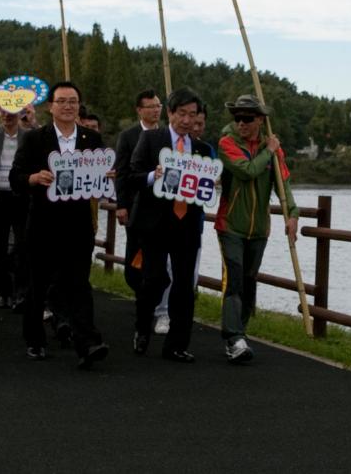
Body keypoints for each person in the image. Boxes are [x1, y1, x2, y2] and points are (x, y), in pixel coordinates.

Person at [10, 81, 109, 369]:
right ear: (50, 106)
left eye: (73, 101)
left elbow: (101, 177)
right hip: (43, 222)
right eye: (62, 101)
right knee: (38, 285)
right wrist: (33, 178)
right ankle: (35, 339)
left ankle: (88, 342)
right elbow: (16, 176)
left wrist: (106, 179)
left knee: (79, 284)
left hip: (78, 224)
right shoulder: (34, 139)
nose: (68, 106)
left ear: (79, 106)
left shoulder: (92, 139)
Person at [121, 87, 213, 363]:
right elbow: (131, 176)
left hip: (187, 226)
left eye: (193, 115)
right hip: (154, 224)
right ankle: (142, 326)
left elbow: (206, 187)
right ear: (170, 113)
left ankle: (177, 344)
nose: (187, 120)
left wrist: (210, 184)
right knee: (154, 280)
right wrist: (153, 175)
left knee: (185, 286)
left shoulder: (202, 149)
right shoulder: (151, 140)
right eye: (182, 113)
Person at [216, 94, 299, 363]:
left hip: (259, 229)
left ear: (260, 120)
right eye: (237, 118)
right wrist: (269, 151)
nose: (241, 123)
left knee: (249, 282)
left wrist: (293, 213)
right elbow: (249, 170)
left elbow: (282, 182)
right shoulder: (226, 143)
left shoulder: (271, 147)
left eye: (247, 119)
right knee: (235, 278)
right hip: (230, 225)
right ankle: (233, 337)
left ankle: (240, 335)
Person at [0, 100, 33, 310]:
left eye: (12, 112)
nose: (7, 116)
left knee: (23, 245)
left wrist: (34, 120)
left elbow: (44, 142)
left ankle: (20, 291)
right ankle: (3, 290)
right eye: (3, 112)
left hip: (21, 195)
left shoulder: (28, 135)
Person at [114, 90, 162, 295]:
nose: (155, 110)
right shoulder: (128, 136)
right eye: (151, 107)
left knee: (159, 256)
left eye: (158, 106)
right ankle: (139, 289)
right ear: (139, 110)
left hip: (162, 206)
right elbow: (122, 172)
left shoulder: (168, 134)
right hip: (135, 205)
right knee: (136, 251)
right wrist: (121, 205)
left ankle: (155, 297)